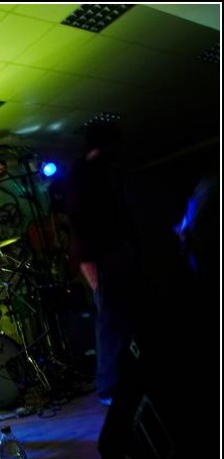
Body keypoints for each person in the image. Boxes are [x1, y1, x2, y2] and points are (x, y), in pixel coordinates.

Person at [63, 121, 146, 407]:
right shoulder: (83, 175)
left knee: (121, 316)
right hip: (101, 256)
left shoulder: (101, 173)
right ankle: (109, 387)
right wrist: (89, 265)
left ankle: (123, 379)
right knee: (110, 320)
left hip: (112, 253)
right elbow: (80, 221)